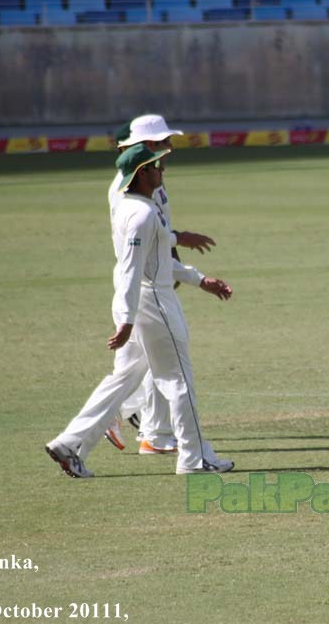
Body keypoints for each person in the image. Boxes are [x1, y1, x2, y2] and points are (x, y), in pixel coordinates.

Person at [46, 144, 235, 477]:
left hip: (147, 302)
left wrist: (200, 280)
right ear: (141, 174)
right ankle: (193, 459)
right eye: (156, 166)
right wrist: (127, 320)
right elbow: (132, 271)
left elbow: (157, 260)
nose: (162, 171)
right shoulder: (141, 214)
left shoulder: (139, 208)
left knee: (124, 380)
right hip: (154, 305)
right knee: (179, 381)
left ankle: (70, 444)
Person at [103, 114, 216, 456]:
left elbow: (162, 230)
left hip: (155, 277)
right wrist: (171, 268)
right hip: (142, 284)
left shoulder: (154, 179)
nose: (169, 146)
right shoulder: (127, 187)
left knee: (147, 366)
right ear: (146, 145)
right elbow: (139, 243)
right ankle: (124, 422)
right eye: (163, 141)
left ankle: (150, 430)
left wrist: (176, 265)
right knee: (142, 368)